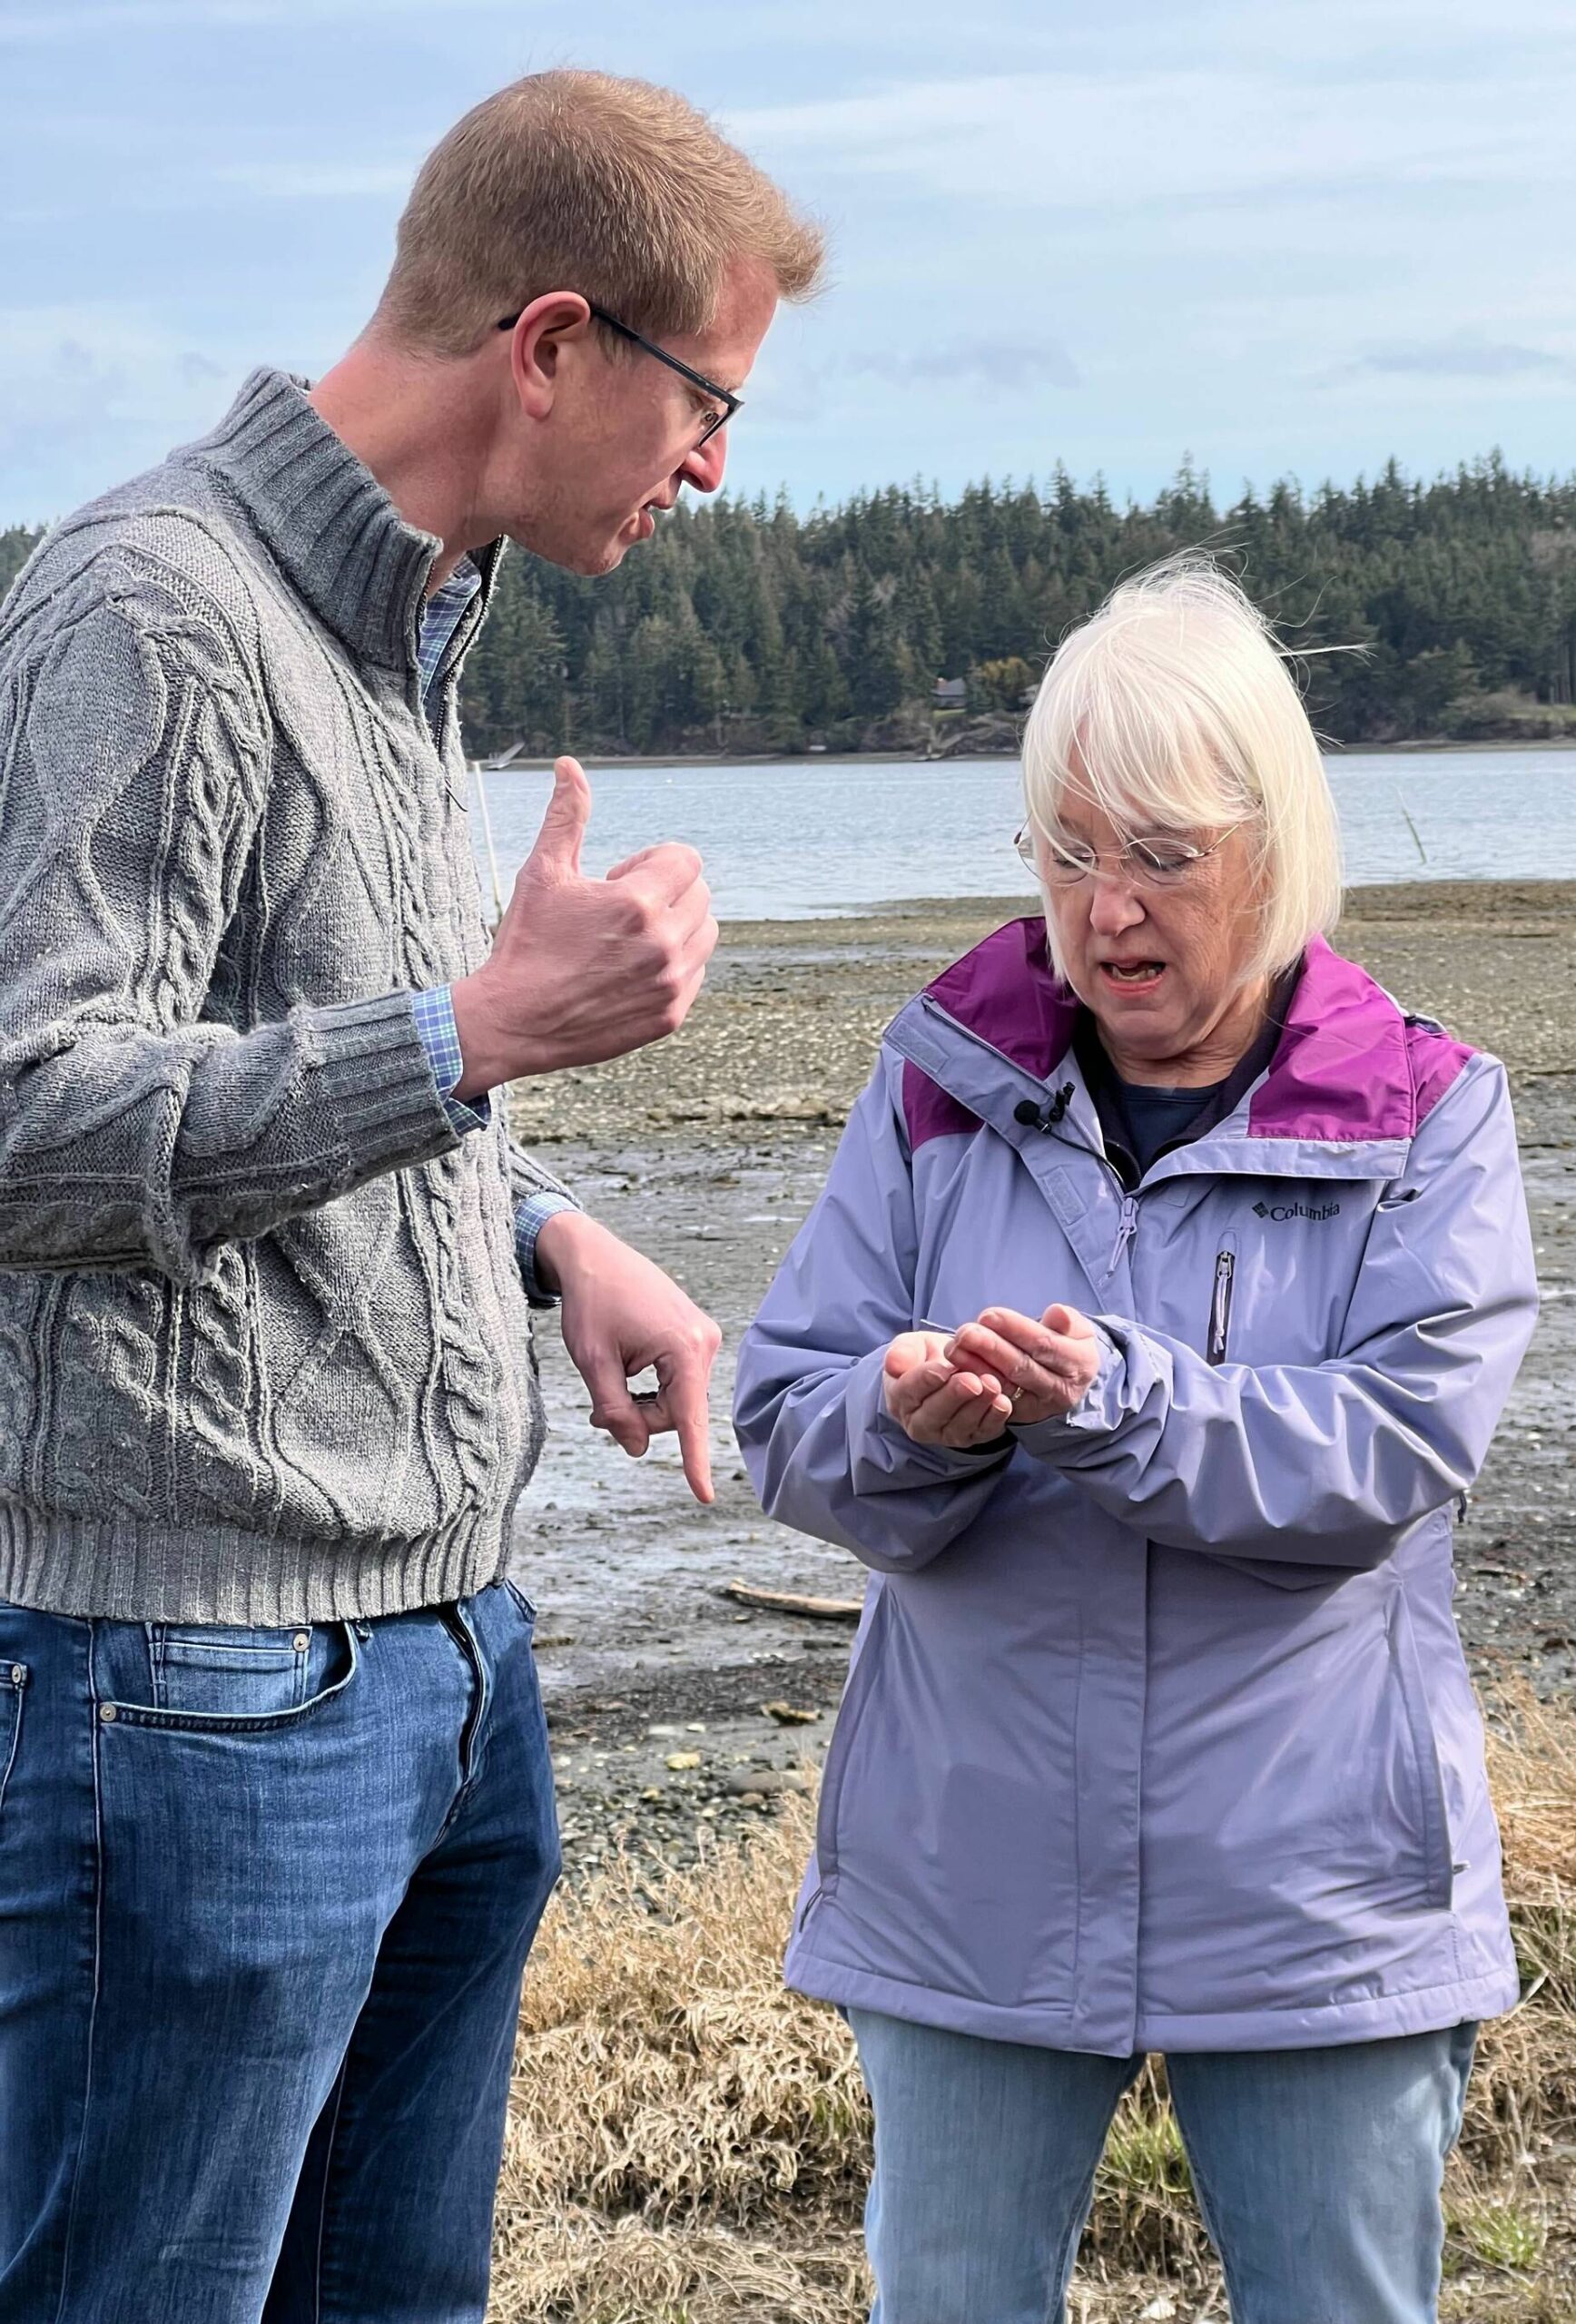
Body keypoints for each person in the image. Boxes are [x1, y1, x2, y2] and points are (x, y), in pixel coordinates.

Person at [0, 69, 822, 2324]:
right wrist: (478, 1034)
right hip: (193, 1687)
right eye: (705, 401)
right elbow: (31, 1117)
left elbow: (297, 1053)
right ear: (550, 343)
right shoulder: (152, 607)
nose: (712, 469)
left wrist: (545, 1227)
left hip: (446, 1659)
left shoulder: (406, 630)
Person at [734, 558, 1540, 2324]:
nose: (1108, 911)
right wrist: (912, 1427)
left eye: (1164, 854)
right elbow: (785, 1411)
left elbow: (1401, 1444)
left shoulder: (1428, 1109)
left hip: (1317, 1887)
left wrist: (1116, 1400)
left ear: (1276, 842)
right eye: (1070, 850)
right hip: (973, 1870)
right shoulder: (937, 1083)